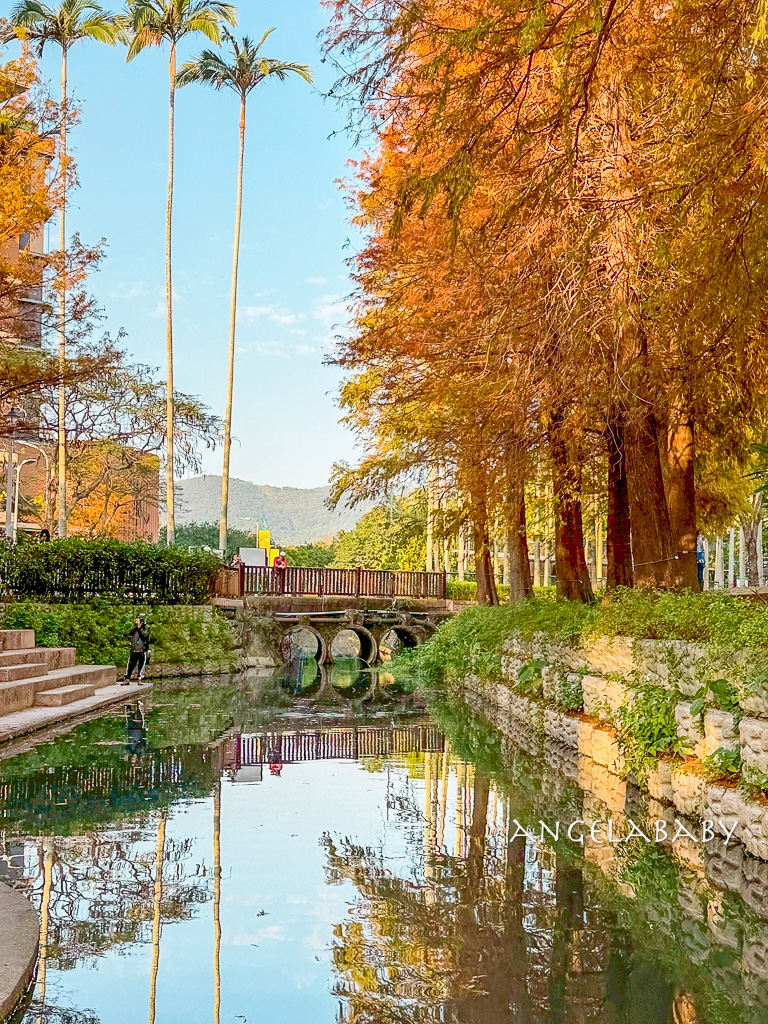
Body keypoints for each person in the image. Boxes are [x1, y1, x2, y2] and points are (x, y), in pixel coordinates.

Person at [122, 613, 150, 685]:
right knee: (130, 664)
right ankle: (127, 678)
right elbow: (129, 633)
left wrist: (140, 627)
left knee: (141, 665)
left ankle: (140, 678)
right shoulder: (134, 627)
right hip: (134, 649)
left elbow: (145, 635)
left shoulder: (146, 627)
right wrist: (136, 626)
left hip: (142, 649)